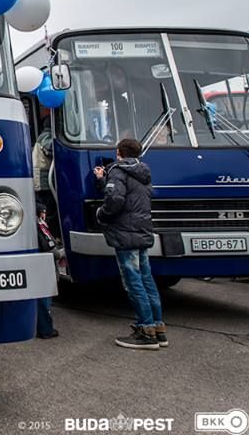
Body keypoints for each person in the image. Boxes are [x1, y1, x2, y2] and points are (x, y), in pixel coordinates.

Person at [93, 138, 167, 350]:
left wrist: (101, 214)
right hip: (143, 232)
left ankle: (145, 331)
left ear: (119, 152)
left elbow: (114, 200)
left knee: (133, 282)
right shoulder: (143, 173)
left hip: (125, 234)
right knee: (147, 280)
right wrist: (102, 180)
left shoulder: (118, 171)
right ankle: (158, 328)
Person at [36, 202, 63, 339]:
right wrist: (62, 253)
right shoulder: (39, 225)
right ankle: (46, 329)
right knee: (44, 299)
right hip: (43, 266)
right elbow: (50, 247)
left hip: (37, 264)